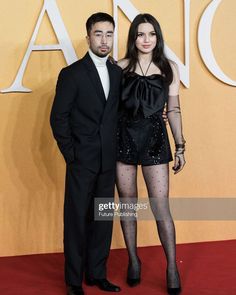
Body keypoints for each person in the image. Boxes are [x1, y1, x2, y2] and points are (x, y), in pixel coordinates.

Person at [50, 12, 122, 295]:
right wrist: (72, 155)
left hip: (108, 161)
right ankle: (73, 281)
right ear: (88, 37)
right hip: (82, 161)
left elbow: (119, 113)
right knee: (77, 219)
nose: (104, 40)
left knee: (103, 219)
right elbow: (59, 119)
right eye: (98, 34)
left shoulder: (117, 73)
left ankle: (97, 274)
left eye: (109, 34)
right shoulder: (72, 74)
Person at [116, 14, 186, 295]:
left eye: (151, 34)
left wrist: (180, 144)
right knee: (128, 205)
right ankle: (133, 261)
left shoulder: (169, 68)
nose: (146, 40)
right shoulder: (118, 67)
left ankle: (172, 267)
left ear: (158, 37)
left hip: (155, 140)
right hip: (123, 139)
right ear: (133, 38)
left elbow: (175, 110)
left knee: (160, 207)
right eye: (140, 34)